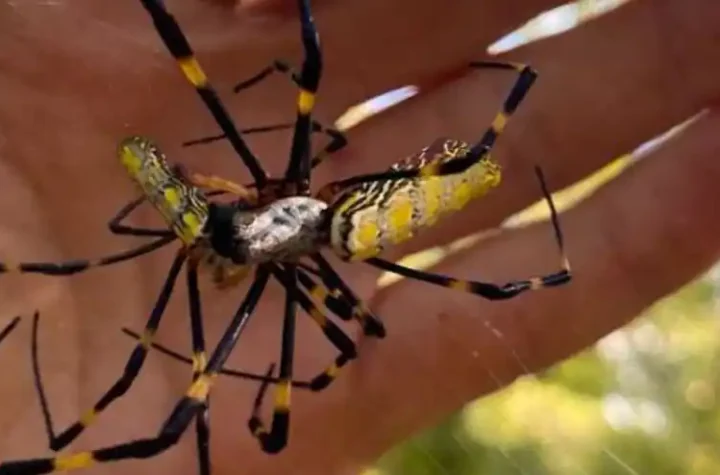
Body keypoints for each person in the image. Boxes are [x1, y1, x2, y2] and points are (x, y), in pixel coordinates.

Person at [0, 0, 718, 473]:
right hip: (322, 225)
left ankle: (504, 111)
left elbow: (340, 348)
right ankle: (505, 108)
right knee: (274, 76)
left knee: (213, 406)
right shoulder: (278, 222)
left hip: (326, 224)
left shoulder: (256, 220)